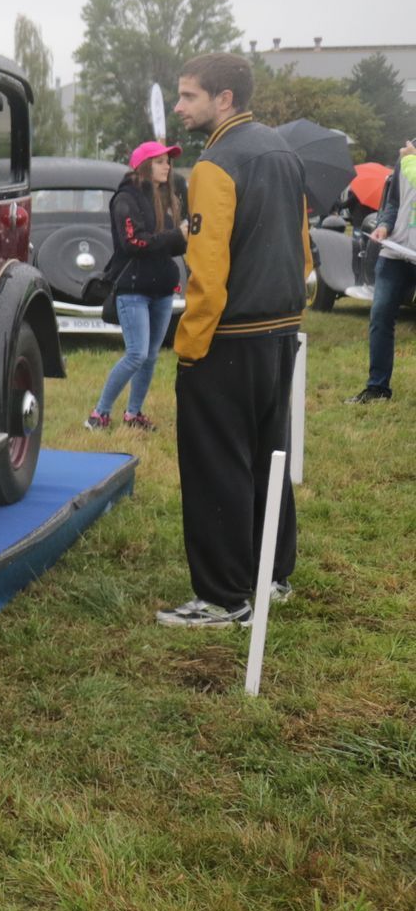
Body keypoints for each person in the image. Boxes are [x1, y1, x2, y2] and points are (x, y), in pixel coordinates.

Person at [156, 51, 313, 628]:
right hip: (281, 332)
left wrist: (190, 348)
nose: (179, 106)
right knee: (270, 457)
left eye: (189, 95)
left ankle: (224, 598)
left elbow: (207, 270)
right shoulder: (283, 152)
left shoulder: (216, 164)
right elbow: (302, 248)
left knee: (216, 465)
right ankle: (272, 574)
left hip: (229, 337)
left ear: (224, 100)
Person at [88, 141, 188, 431]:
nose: (167, 166)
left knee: (151, 356)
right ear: (143, 166)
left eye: (168, 162)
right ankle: (99, 414)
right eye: (160, 161)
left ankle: (133, 415)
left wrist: (185, 236)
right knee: (137, 354)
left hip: (162, 289)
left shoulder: (158, 197)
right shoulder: (125, 199)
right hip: (133, 289)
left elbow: (164, 247)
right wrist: (174, 236)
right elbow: (134, 243)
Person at [346, 140, 416, 404]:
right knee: (380, 316)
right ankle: (377, 389)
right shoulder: (408, 153)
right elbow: (393, 202)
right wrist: (385, 225)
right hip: (394, 251)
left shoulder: (409, 157)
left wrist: (410, 160)